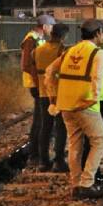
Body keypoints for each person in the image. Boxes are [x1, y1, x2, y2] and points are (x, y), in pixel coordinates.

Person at [45, 19, 103, 199]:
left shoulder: (69, 51)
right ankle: (87, 183)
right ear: (97, 34)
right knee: (100, 142)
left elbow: (50, 72)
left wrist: (53, 97)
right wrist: (93, 99)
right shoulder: (98, 53)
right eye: (102, 32)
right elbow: (96, 79)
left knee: (74, 144)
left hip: (65, 105)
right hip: (85, 105)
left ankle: (76, 184)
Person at [33, 22, 69, 173]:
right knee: (60, 127)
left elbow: (32, 67)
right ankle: (59, 161)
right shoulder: (62, 50)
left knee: (45, 127)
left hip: (43, 92)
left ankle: (43, 161)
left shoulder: (38, 50)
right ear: (62, 36)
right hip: (58, 93)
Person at [21, 14, 55, 163]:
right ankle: (35, 154)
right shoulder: (31, 40)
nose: (52, 30)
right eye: (51, 26)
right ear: (45, 26)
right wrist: (39, 81)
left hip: (39, 83)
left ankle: (37, 153)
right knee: (40, 120)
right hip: (36, 85)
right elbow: (26, 65)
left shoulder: (37, 39)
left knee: (41, 118)